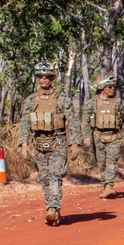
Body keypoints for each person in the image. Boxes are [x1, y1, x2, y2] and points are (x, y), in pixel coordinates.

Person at [18, 61, 83, 226]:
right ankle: (52, 208)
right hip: (39, 143)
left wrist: (75, 144)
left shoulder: (62, 99)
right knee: (44, 178)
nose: (43, 79)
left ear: (52, 78)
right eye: (40, 76)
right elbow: (25, 123)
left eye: (47, 76)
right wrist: (23, 144)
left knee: (55, 175)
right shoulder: (31, 100)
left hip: (58, 142)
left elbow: (73, 122)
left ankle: (53, 208)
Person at [82, 75, 124, 198]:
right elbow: (85, 121)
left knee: (111, 161)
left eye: (114, 87)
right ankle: (105, 184)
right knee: (101, 163)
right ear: (103, 88)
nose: (112, 89)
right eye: (110, 87)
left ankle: (108, 186)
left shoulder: (118, 103)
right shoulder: (92, 104)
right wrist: (86, 137)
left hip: (114, 136)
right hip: (98, 136)